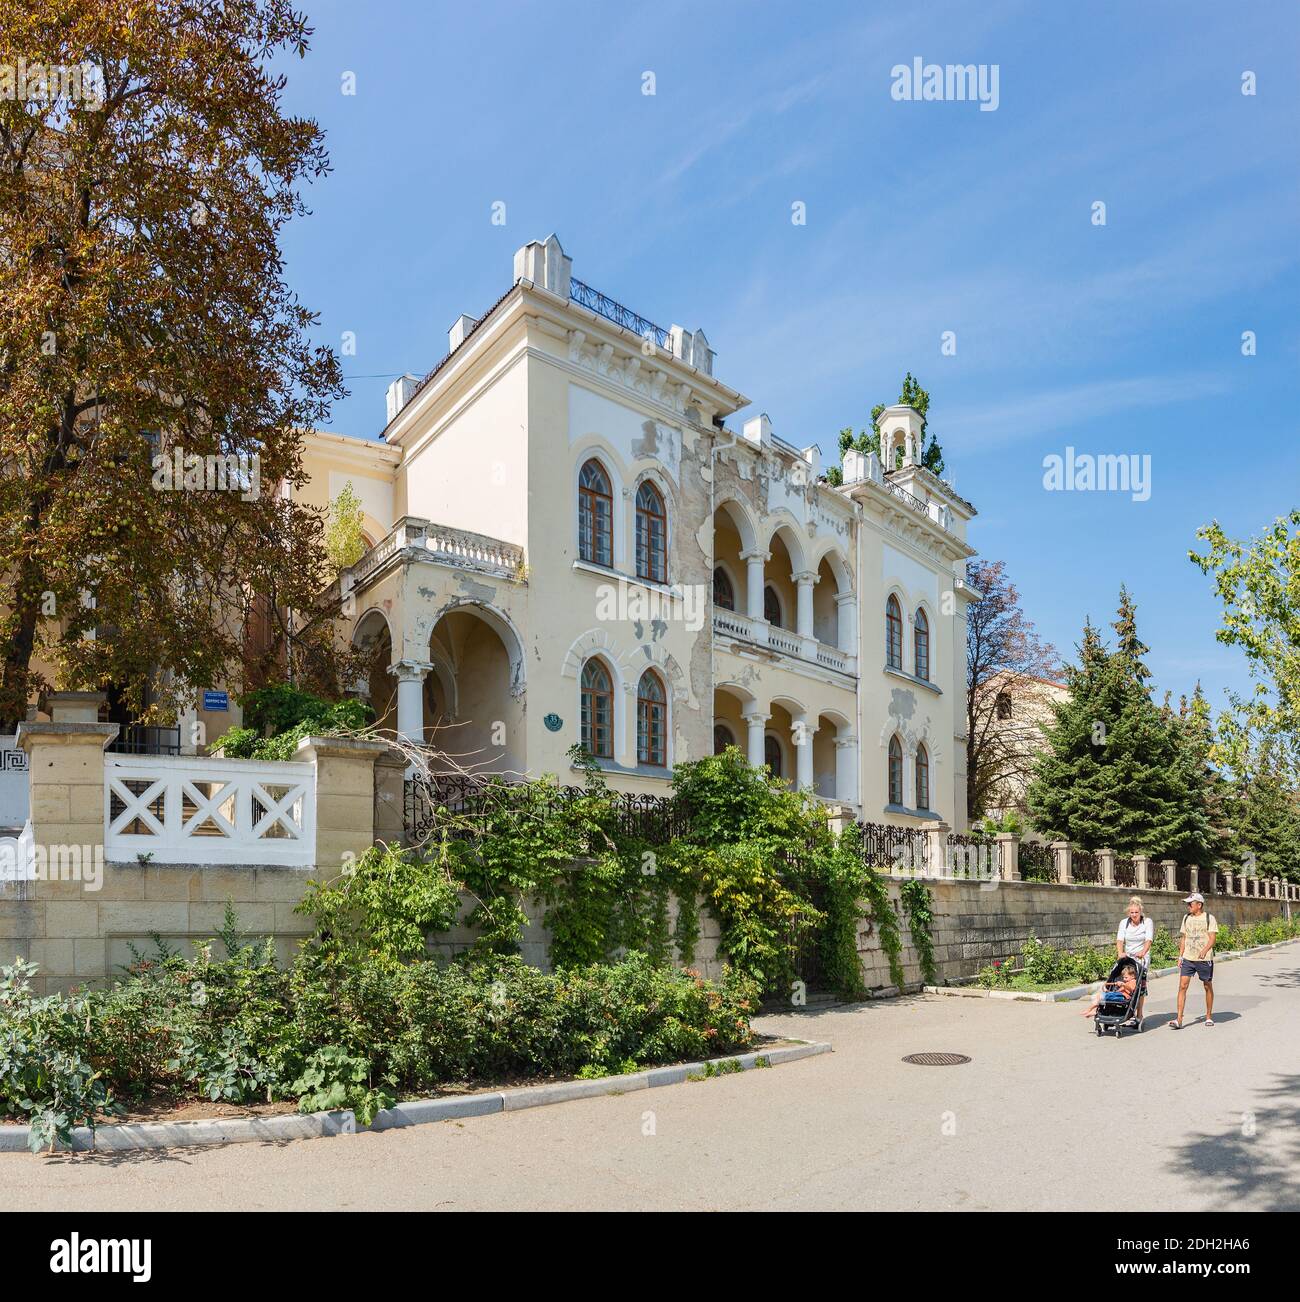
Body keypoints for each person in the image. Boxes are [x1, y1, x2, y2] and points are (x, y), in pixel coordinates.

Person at [1170, 893, 1217, 1029]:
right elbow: (1184, 938)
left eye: (1190, 904)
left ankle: (1208, 1016)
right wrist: (1180, 956)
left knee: (1207, 986)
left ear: (1199, 905)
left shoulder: (1209, 918)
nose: (1188, 906)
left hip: (1204, 958)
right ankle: (1179, 1019)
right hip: (1188, 958)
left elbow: (1212, 938)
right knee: (1182, 986)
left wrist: (1204, 950)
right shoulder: (1186, 918)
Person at [1116, 895, 1153, 1027]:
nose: (1134, 915)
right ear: (1128, 912)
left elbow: (1148, 939)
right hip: (1127, 957)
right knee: (1123, 981)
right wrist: (1120, 953)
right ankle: (1122, 1010)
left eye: (1136, 912)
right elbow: (1120, 940)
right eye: (1131, 912)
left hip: (1141, 958)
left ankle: (1139, 1013)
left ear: (1140, 911)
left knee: (1139, 987)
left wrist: (1143, 951)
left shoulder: (1147, 922)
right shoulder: (1124, 923)